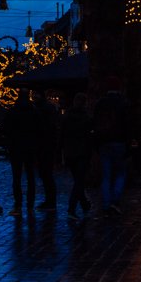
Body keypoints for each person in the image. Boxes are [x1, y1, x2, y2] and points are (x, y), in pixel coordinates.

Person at [92, 80, 131, 215]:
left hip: (104, 142)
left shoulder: (100, 103)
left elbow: (94, 123)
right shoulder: (123, 103)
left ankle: (106, 203)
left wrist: (97, 143)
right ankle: (115, 200)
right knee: (120, 173)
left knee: (106, 175)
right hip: (119, 142)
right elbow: (128, 125)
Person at [3, 89, 40, 212]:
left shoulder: (12, 111)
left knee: (17, 176)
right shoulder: (34, 111)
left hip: (16, 147)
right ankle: (30, 202)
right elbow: (39, 129)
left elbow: (5, 129)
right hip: (30, 146)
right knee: (30, 176)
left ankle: (18, 203)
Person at [62, 92, 94, 221]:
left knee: (78, 180)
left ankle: (84, 203)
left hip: (70, 153)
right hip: (82, 153)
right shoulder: (86, 118)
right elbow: (90, 135)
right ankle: (72, 208)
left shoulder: (67, 116)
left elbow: (62, 135)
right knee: (79, 181)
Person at [33, 90, 61, 209]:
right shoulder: (47, 108)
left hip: (45, 145)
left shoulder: (41, 109)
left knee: (46, 174)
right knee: (46, 174)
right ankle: (50, 200)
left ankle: (50, 200)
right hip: (46, 144)